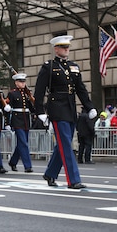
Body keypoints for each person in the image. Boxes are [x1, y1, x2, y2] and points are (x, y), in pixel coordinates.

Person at [34, 35, 97, 189]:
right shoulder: (48, 67)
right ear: (56, 49)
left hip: (70, 108)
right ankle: (73, 180)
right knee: (66, 146)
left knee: (64, 143)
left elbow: (80, 89)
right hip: (56, 108)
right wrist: (40, 111)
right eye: (63, 47)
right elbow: (39, 91)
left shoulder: (73, 67)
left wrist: (89, 106)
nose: (66, 50)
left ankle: (50, 173)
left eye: (68, 47)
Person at [6, 73, 35, 173]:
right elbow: (7, 106)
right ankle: (28, 166)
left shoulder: (27, 93)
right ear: (16, 83)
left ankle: (13, 162)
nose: (22, 83)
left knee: (22, 143)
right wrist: (8, 122)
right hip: (17, 119)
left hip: (26, 120)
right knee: (23, 142)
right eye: (20, 82)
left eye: (23, 82)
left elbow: (31, 107)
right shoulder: (12, 93)